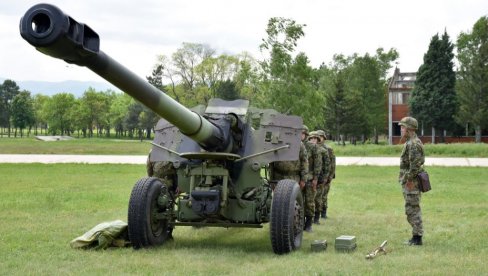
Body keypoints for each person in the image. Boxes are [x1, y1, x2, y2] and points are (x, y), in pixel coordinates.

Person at [398, 117, 425, 246]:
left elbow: (415, 166)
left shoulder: (413, 144)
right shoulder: (410, 142)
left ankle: (417, 238)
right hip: (409, 181)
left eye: (403, 127)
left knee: (413, 210)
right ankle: (415, 236)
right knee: (411, 209)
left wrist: (408, 180)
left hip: (412, 183)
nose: (401, 129)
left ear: (409, 129)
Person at [301, 126, 322, 232]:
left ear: (306, 135)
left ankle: (308, 224)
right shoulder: (295, 145)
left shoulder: (312, 147)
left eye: (302, 133)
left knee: (309, 201)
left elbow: (318, 164)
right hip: (298, 179)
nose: (300, 135)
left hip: (310, 178)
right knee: (298, 201)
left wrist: (315, 179)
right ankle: (299, 222)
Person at [317, 130, 335, 219]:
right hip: (317, 175)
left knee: (324, 195)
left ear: (324, 138)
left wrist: (330, 176)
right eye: (318, 136)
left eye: (321, 136)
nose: (319, 138)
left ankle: (323, 213)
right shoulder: (313, 147)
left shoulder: (328, 149)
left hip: (326, 175)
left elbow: (332, 164)